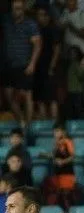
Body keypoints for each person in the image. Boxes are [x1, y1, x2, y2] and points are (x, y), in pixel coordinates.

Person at [3, 0, 42, 128]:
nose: (17, 11)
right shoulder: (7, 22)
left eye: (19, 8)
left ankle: (29, 126)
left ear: (24, 9)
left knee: (27, 95)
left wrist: (32, 63)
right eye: (15, 9)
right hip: (10, 65)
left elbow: (37, 44)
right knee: (9, 95)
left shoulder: (30, 24)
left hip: (25, 64)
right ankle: (21, 121)